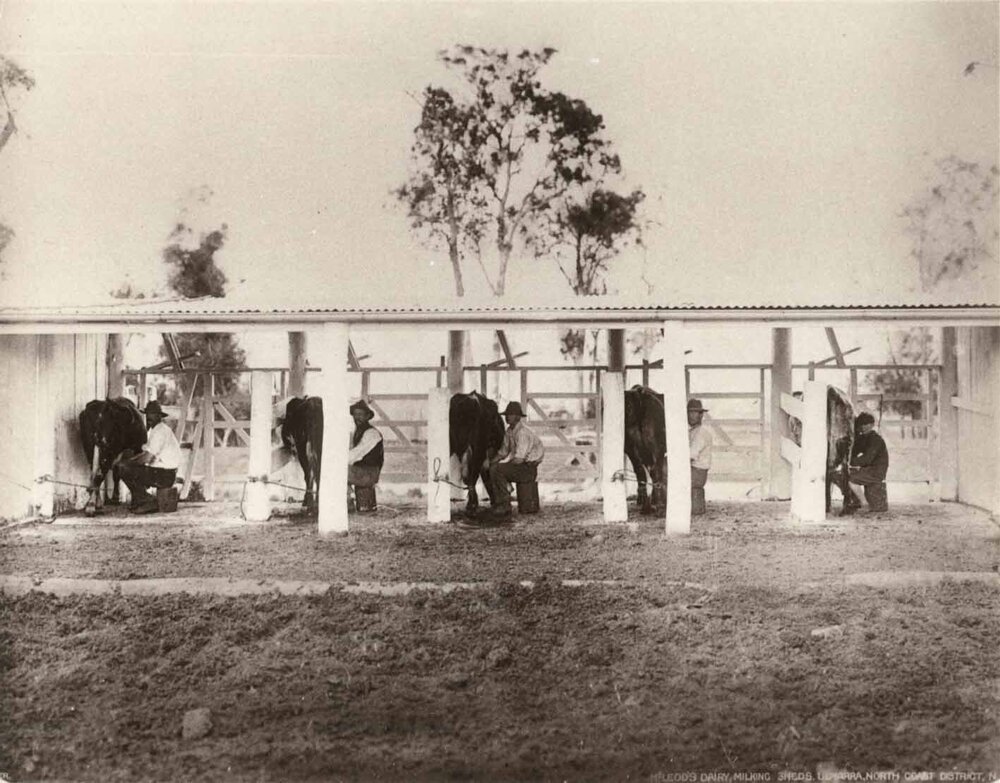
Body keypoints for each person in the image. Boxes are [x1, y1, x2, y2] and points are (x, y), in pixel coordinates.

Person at [118, 400, 182, 513]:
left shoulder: (160, 432)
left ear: (159, 416)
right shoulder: (157, 430)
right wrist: (132, 460)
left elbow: (147, 458)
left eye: (153, 414)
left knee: (124, 469)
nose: (149, 417)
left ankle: (148, 500)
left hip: (164, 475)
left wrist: (128, 463)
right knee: (129, 466)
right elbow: (145, 453)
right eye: (148, 414)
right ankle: (141, 500)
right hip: (164, 472)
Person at [487, 401, 545, 520]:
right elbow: (503, 452)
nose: (507, 417)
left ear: (518, 417)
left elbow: (519, 459)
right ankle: (501, 502)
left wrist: (499, 466)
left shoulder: (522, 433)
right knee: (493, 468)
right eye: (507, 414)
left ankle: (504, 505)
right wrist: (491, 462)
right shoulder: (509, 431)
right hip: (521, 467)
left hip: (528, 468)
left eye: (511, 414)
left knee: (497, 469)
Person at [840, 412, 889, 513]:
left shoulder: (876, 440)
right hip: (870, 469)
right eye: (861, 425)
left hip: (877, 471)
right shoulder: (865, 438)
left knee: (851, 479)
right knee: (847, 475)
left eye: (866, 424)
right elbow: (855, 450)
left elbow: (867, 459)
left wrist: (850, 461)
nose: (863, 427)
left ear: (872, 425)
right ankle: (855, 502)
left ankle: (864, 503)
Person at [348, 399, 384, 511]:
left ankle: (348, 501)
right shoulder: (357, 432)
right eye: (355, 414)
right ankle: (349, 500)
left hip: (369, 472)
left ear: (367, 416)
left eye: (360, 415)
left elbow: (356, 454)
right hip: (362, 471)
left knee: (338, 471)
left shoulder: (372, 433)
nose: (357, 418)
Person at [687, 398, 713, 489]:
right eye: (689, 413)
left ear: (701, 415)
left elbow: (690, 455)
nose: (691, 416)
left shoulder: (701, 433)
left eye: (695, 413)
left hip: (698, 474)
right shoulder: (693, 431)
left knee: (665, 469)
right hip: (693, 471)